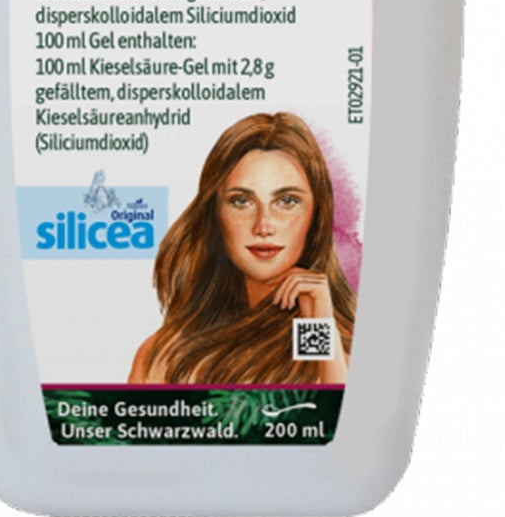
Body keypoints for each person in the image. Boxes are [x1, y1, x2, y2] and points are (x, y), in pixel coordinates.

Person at [128, 112, 355, 386]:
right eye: (241, 201)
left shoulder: (348, 339)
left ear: (316, 213)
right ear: (214, 213)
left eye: (287, 201)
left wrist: (318, 325)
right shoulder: (166, 355)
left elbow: (340, 410)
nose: (264, 226)